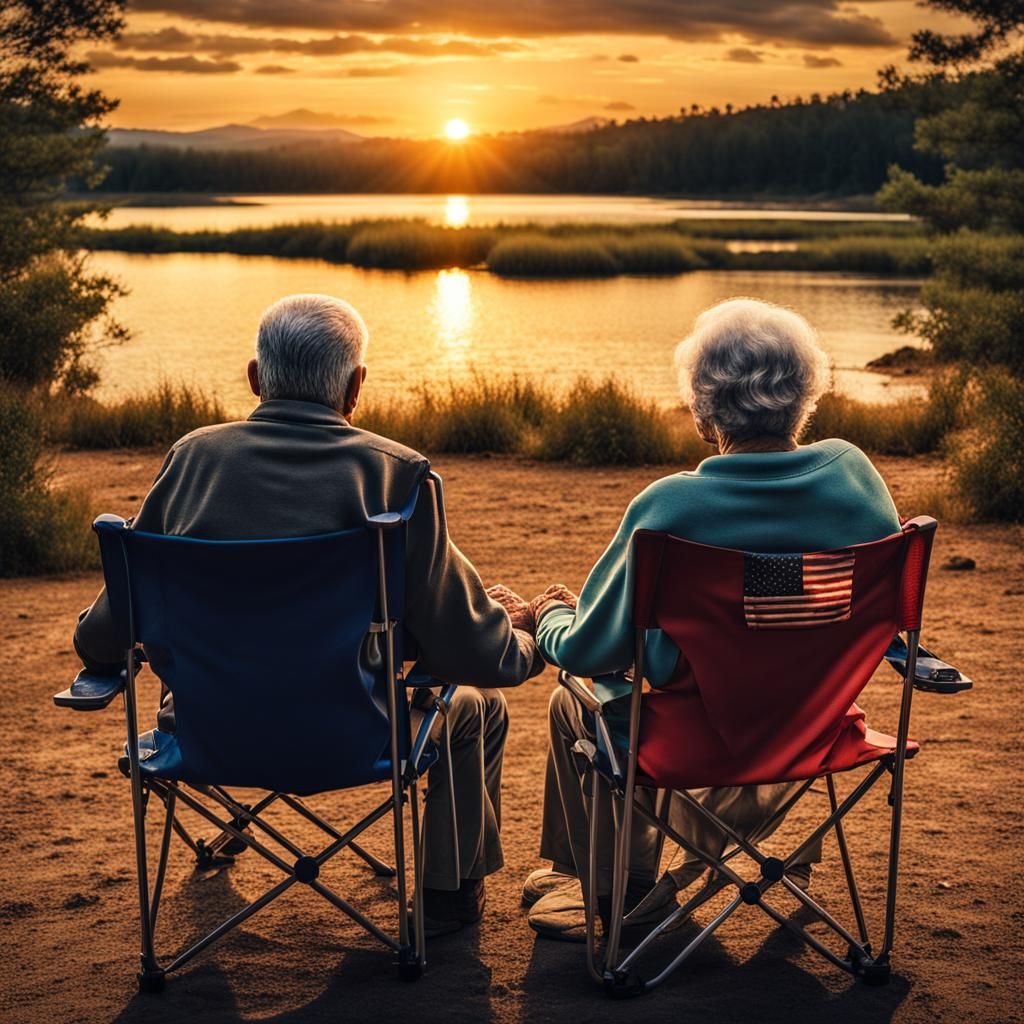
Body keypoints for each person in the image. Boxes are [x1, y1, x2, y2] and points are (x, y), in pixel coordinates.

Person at [73, 293, 543, 938]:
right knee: (477, 707)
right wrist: (522, 636)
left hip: (206, 736)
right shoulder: (397, 477)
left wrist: (95, 647)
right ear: (355, 388)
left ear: (256, 379)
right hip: (356, 738)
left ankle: (224, 837)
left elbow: (110, 630)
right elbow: (467, 648)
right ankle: (447, 899)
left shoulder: (191, 461)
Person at [524, 297, 902, 941]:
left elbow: (588, 649)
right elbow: (828, 606)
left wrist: (550, 616)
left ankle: (621, 888)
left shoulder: (674, 505)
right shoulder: (855, 475)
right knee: (772, 680)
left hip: (703, 741)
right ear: (805, 393)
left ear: (704, 410)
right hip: (817, 728)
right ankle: (786, 860)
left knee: (578, 700)